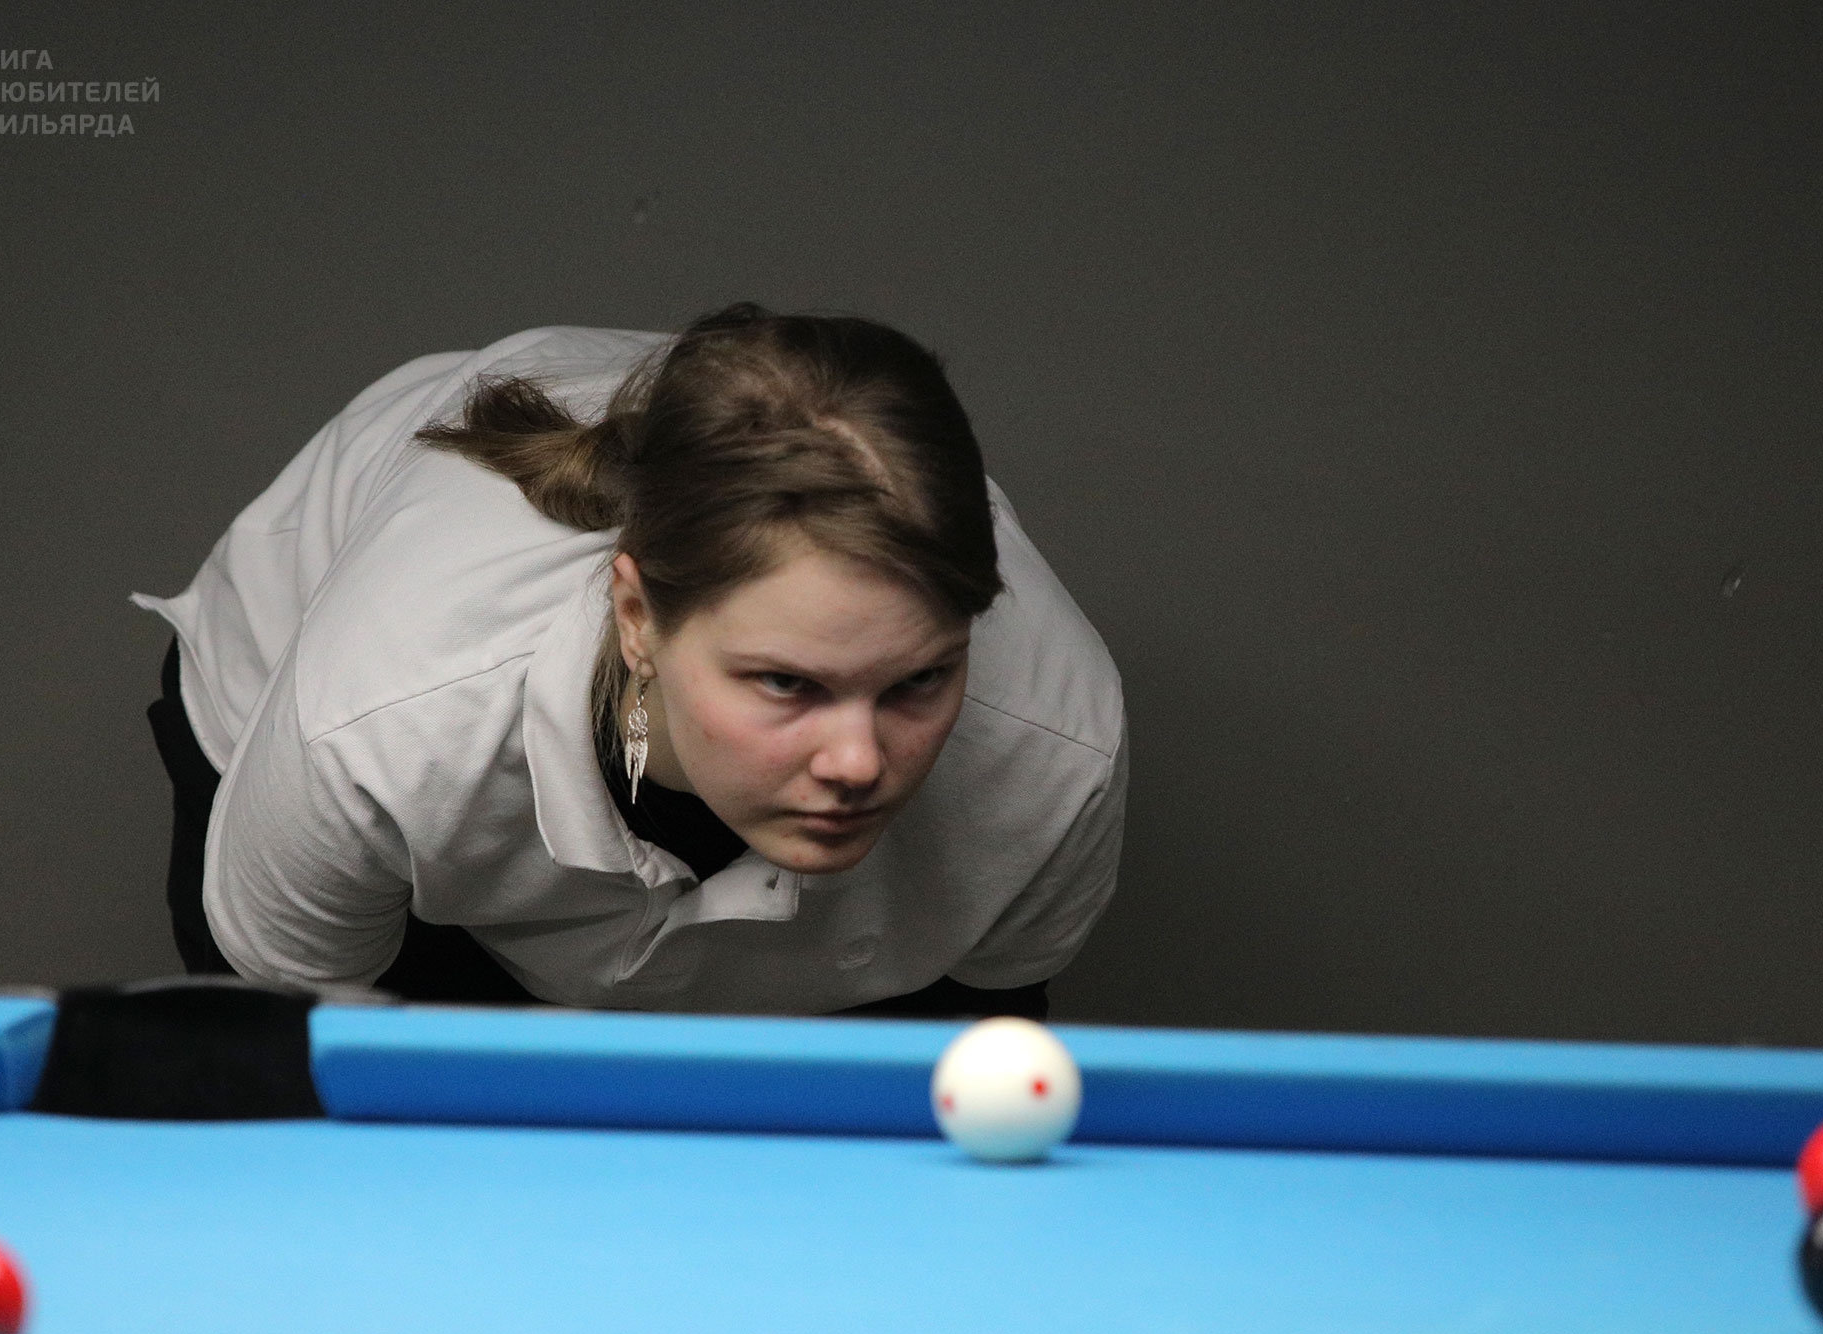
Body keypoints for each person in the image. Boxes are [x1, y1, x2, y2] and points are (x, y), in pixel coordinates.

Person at [134, 304, 1126, 1018]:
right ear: (638, 617)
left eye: (919, 682)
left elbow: (980, 1074)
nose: (860, 763)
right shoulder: (380, 722)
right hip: (369, 732)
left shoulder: (1056, 753)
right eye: (787, 683)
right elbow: (304, 1075)